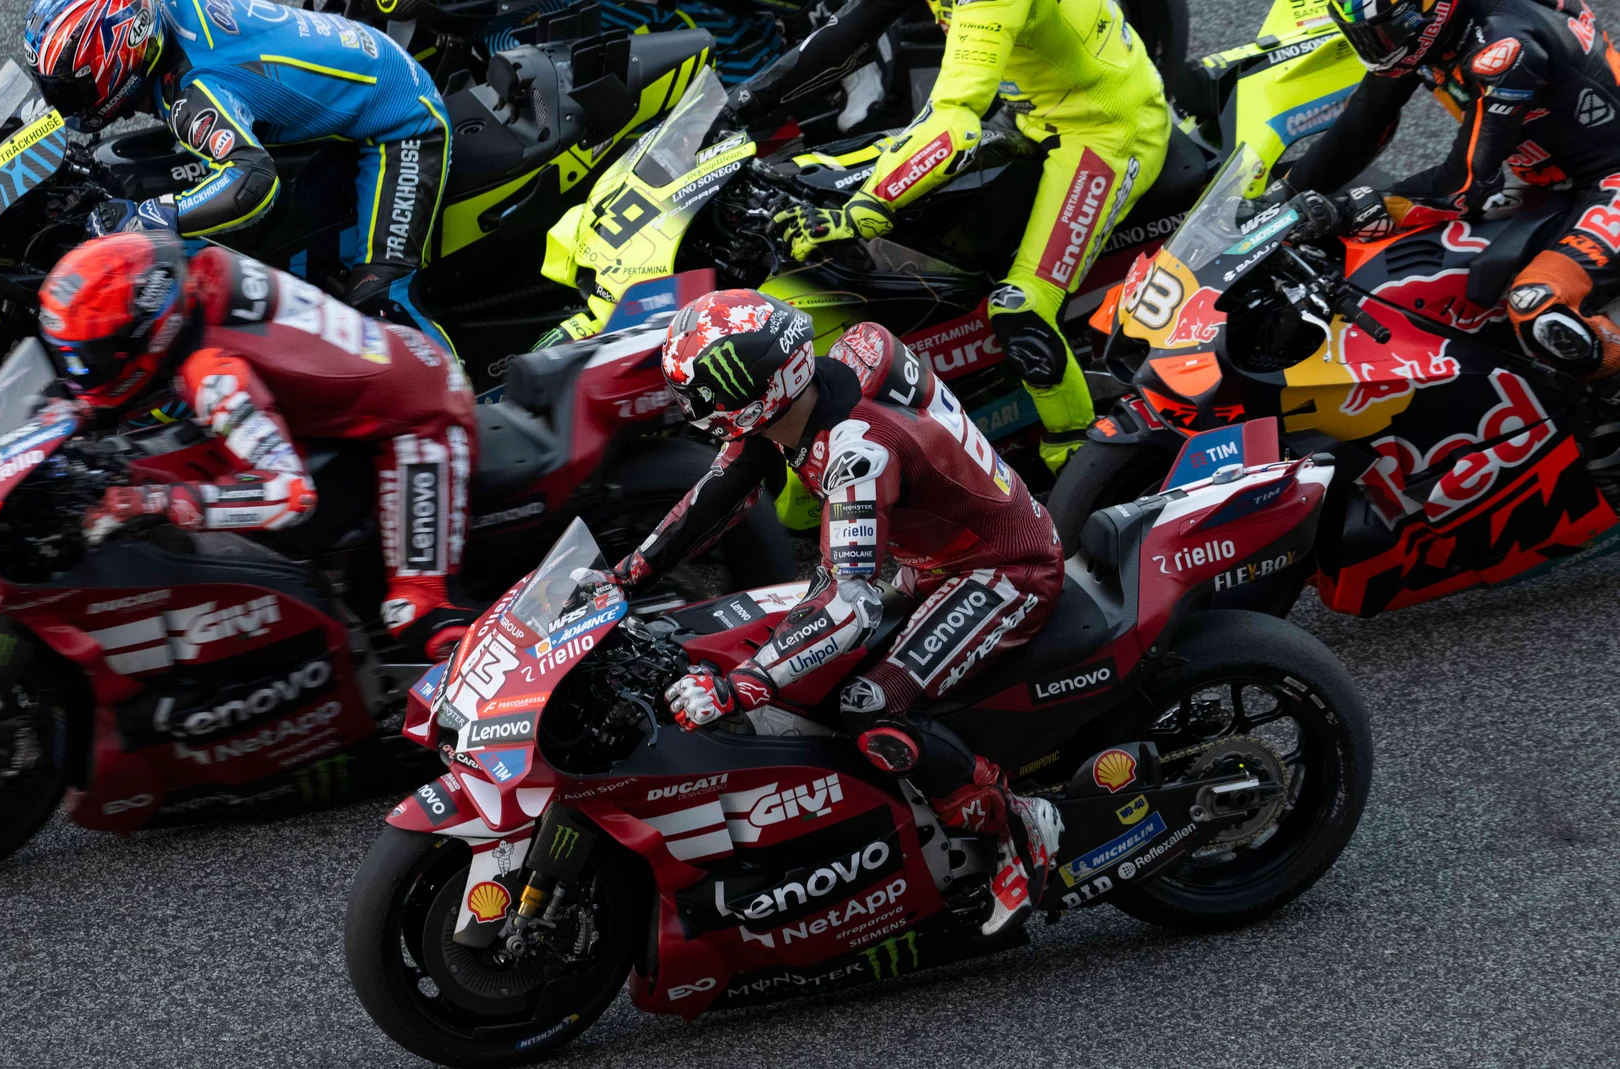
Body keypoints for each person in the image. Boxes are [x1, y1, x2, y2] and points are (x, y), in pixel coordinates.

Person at [606, 289, 1066, 936]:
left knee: (869, 706)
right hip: (936, 555)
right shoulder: (843, 361)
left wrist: (741, 684)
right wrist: (623, 577)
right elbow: (720, 490)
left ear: (759, 392)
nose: (692, 409)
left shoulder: (856, 455)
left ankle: (1016, 823)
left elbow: (849, 604)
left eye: (702, 393)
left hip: (1003, 568)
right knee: (809, 677)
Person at [733, 0, 1173, 472]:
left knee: (1019, 307)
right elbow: (847, 32)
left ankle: (1077, 460)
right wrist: (743, 101)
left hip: (1108, 132)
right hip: (1031, 114)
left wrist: (865, 210)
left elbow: (955, 124)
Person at [36, 231, 478, 661]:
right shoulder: (198, 271)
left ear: (147, 335)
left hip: (422, 418)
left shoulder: (212, 374)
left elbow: (289, 497)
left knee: (418, 615)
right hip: (339, 394)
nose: (77, 373)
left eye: (86, 360)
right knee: (140, 466)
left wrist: (153, 501)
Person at [23, 0, 453, 346]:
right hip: (354, 81)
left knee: (379, 303)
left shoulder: (193, 91)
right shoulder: (164, 12)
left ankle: (461, 415)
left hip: (403, 120)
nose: (64, 102)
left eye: (70, 89)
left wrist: (148, 218)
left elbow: (253, 181)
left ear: (117, 61)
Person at [1273, 0, 1620, 382]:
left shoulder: (1504, 47)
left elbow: (1466, 185)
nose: (1377, 48)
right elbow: (1363, 123)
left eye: (1384, 34)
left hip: (1610, 180)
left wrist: (1347, 210)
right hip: (1558, 185)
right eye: (1366, 37)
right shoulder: (1425, 34)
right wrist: (1280, 199)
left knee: (1538, 304)